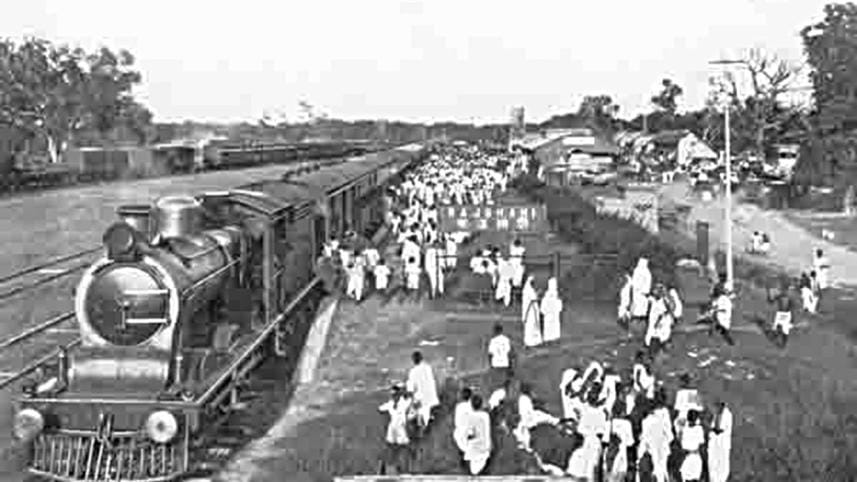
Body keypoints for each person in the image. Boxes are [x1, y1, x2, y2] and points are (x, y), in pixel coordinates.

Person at [378, 383, 413, 474]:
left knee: (404, 446)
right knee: (392, 447)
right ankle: (391, 465)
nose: (393, 397)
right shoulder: (390, 404)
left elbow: (410, 399)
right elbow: (381, 409)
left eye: (395, 395)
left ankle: (405, 467)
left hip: (400, 427)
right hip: (393, 428)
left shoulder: (404, 403)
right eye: (392, 395)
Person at [406, 351, 439, 433]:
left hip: (421, 399)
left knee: (411, 416)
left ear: (413, 360)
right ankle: (424, 421)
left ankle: (421, 431)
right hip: (431, 397)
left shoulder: (413, 372)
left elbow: (411, 389)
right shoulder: (428, 367)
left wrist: (410, 398)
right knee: (423, 412)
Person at [605, 401, 634, 482]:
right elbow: (630, 442)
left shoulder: (609, 423)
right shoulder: (627, 424)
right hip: (622, 456)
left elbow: (605, 440)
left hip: (610, 455)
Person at [463, 395, 492, 475]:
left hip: (475, 450)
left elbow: (470, 434)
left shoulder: (470, 417)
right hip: (485, 448)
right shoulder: (486, 416)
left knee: (474, 472)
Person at [707, 400, 733, 482]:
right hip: (714, 443)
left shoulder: (727, 415)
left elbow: (718, 429)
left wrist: (709, 427)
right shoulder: (716, 414)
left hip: (722, 443)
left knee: (722, 463)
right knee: (712, 462)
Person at [679, 410, 705, 482]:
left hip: (689, 457)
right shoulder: (699, 429)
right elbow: (701, 445)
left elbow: (681, 443)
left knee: (688, 478)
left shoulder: (684, 429)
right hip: (693, 457)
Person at [768, 279, 794, 348]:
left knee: (783, 330)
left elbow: (771, 301)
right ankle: (781, 341)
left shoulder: (784, 295)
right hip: (783, 314)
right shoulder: (782, 295)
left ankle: (782, 343)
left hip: (784, 314)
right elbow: (771, 301)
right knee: (780, 329)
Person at [540, 277, 563, 343]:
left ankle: (551, 337)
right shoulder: (552, 295)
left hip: (551, 314)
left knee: (551, 326)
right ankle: (551, 337)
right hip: (551, 314)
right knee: (551, 326)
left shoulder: (550, 295)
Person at [522, 276, 543, 348]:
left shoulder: (529, 289)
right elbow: (534, 298)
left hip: (532, 309)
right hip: (530, 310)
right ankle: (529, 342)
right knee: (530, 325)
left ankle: (535, 341)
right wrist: (539, 293)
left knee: (533, 325)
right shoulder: (528, 290)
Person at [453, 387, 474, 457]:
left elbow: (457, 421)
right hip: (468, 433)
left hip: (460, 432)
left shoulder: (458, 406)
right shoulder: (471, 406)